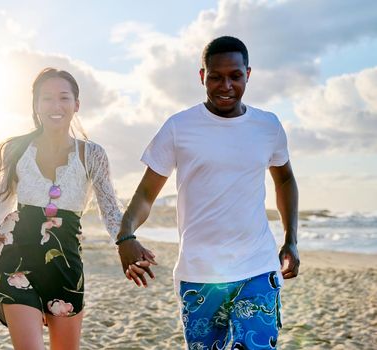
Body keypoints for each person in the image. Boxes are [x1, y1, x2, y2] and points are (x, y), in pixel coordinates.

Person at [0, 67, 150, 350]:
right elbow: (0, 202)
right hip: (15, 261)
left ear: (76, 104)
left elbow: (110, 207)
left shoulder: (92, 154)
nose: (56, 106)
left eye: (64, 98)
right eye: (47, 99)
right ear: (35, 105)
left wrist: (126, 240)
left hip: (64, 264)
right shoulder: (17, 149)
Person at [116, 36, 299, 349]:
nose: (225, 85)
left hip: (258, 267)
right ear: (202, 76)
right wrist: (126, 235)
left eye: (235, 76)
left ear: (248, 74)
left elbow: (284, 180)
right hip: (200, 273)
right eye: (215, 77)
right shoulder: (179, 127)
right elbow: (147, 193)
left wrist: (291, 238)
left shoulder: (268, 126)